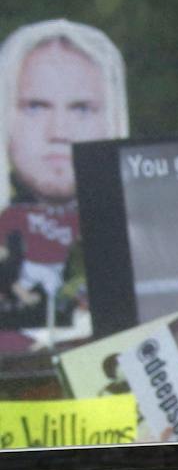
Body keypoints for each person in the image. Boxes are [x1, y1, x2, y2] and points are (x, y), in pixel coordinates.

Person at [0, 20, 127, 315]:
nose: (59, 131)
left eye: (81, 109)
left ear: (113, 119)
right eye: (35, 107)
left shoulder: (146, 236)